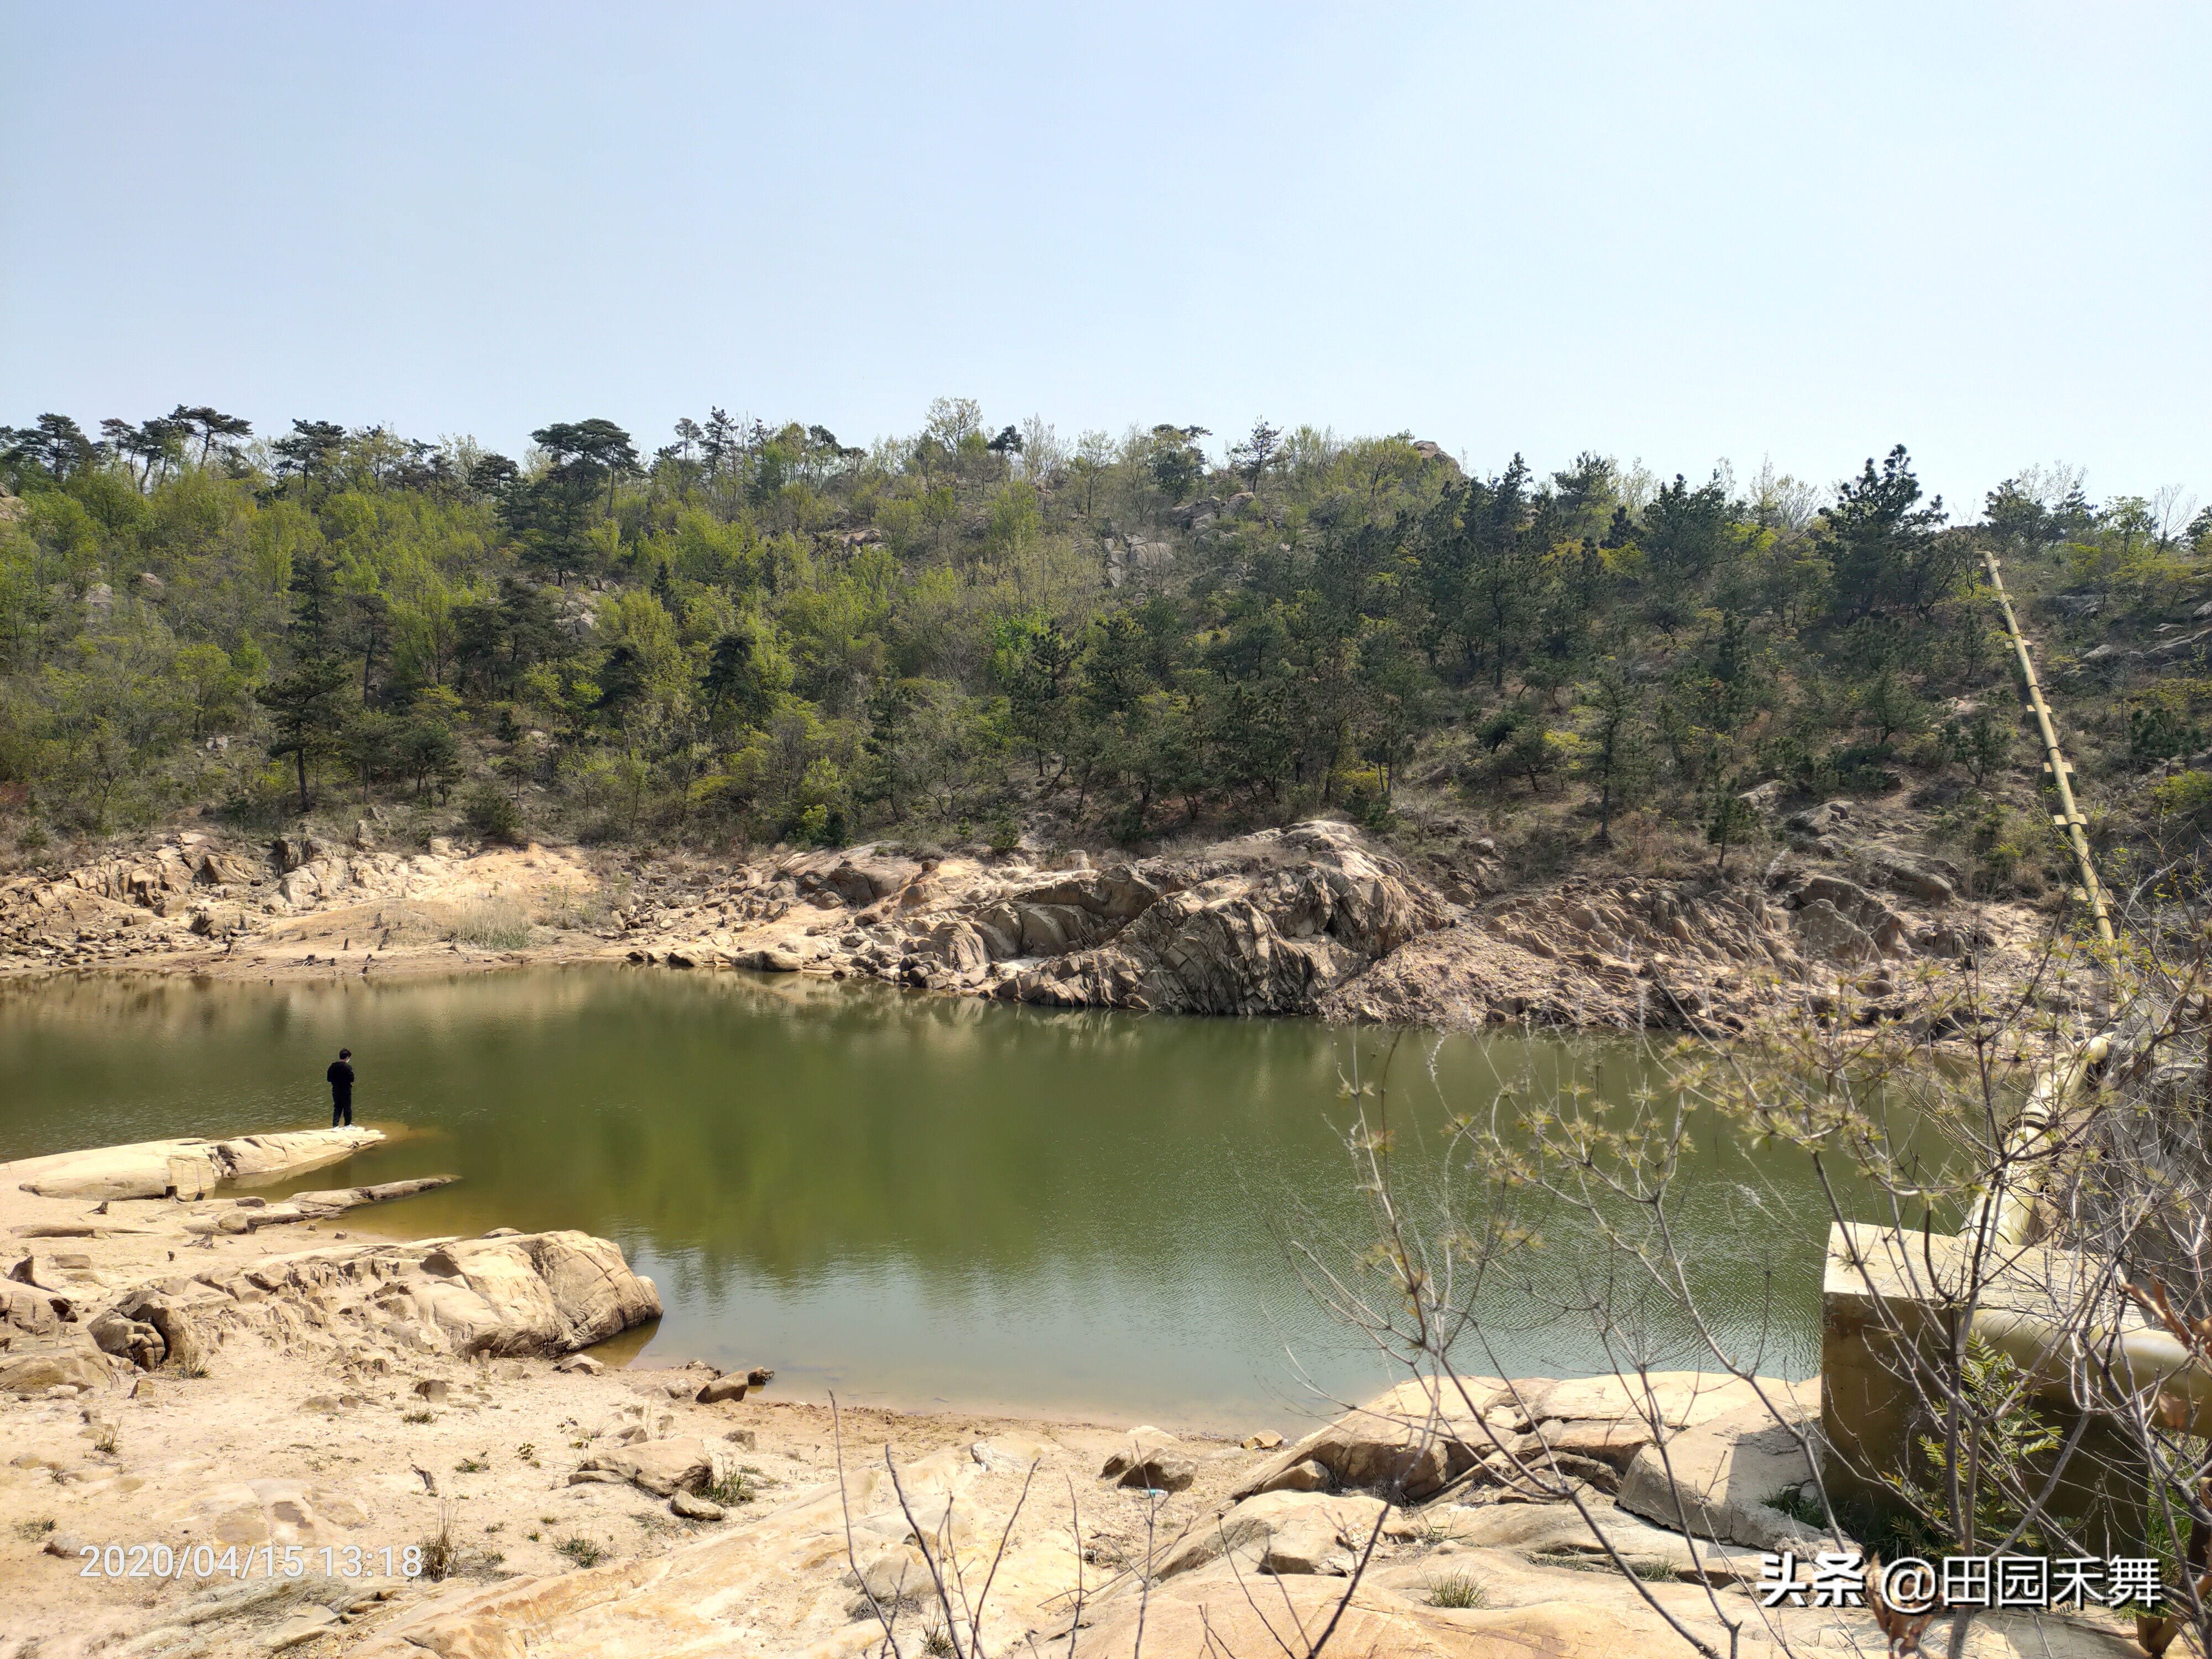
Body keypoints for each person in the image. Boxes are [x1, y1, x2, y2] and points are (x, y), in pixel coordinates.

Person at [327, 1048, 356, 1128]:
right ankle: (347, 1125)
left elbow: (329, 1079)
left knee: (337, 1107)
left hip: (336, 1090)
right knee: (347, 1107)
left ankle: (335, 1126)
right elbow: (352, 1079)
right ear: (347, 1058)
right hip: (346, 1090)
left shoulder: (333, 1066)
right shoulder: (348, 1067)